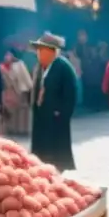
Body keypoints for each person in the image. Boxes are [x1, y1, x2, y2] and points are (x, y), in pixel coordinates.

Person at [30, 32, 78, 170]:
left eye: (42, 50)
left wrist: (62, 113)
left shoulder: (63, 67)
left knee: (56, 151)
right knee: (41, 150)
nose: (38, 53)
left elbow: (70, 94)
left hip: (56, 117)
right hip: (41, 115)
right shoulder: (40, 67)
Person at [0, 49, 33, 135]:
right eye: (6, 55)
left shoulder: (19, 65)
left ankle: (20, 130)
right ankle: (10, 129)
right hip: (7, 92)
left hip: (19, 91)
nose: (6, 57)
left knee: (20, 111)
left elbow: (24, 79)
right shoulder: (2, 66)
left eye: (8, 55)